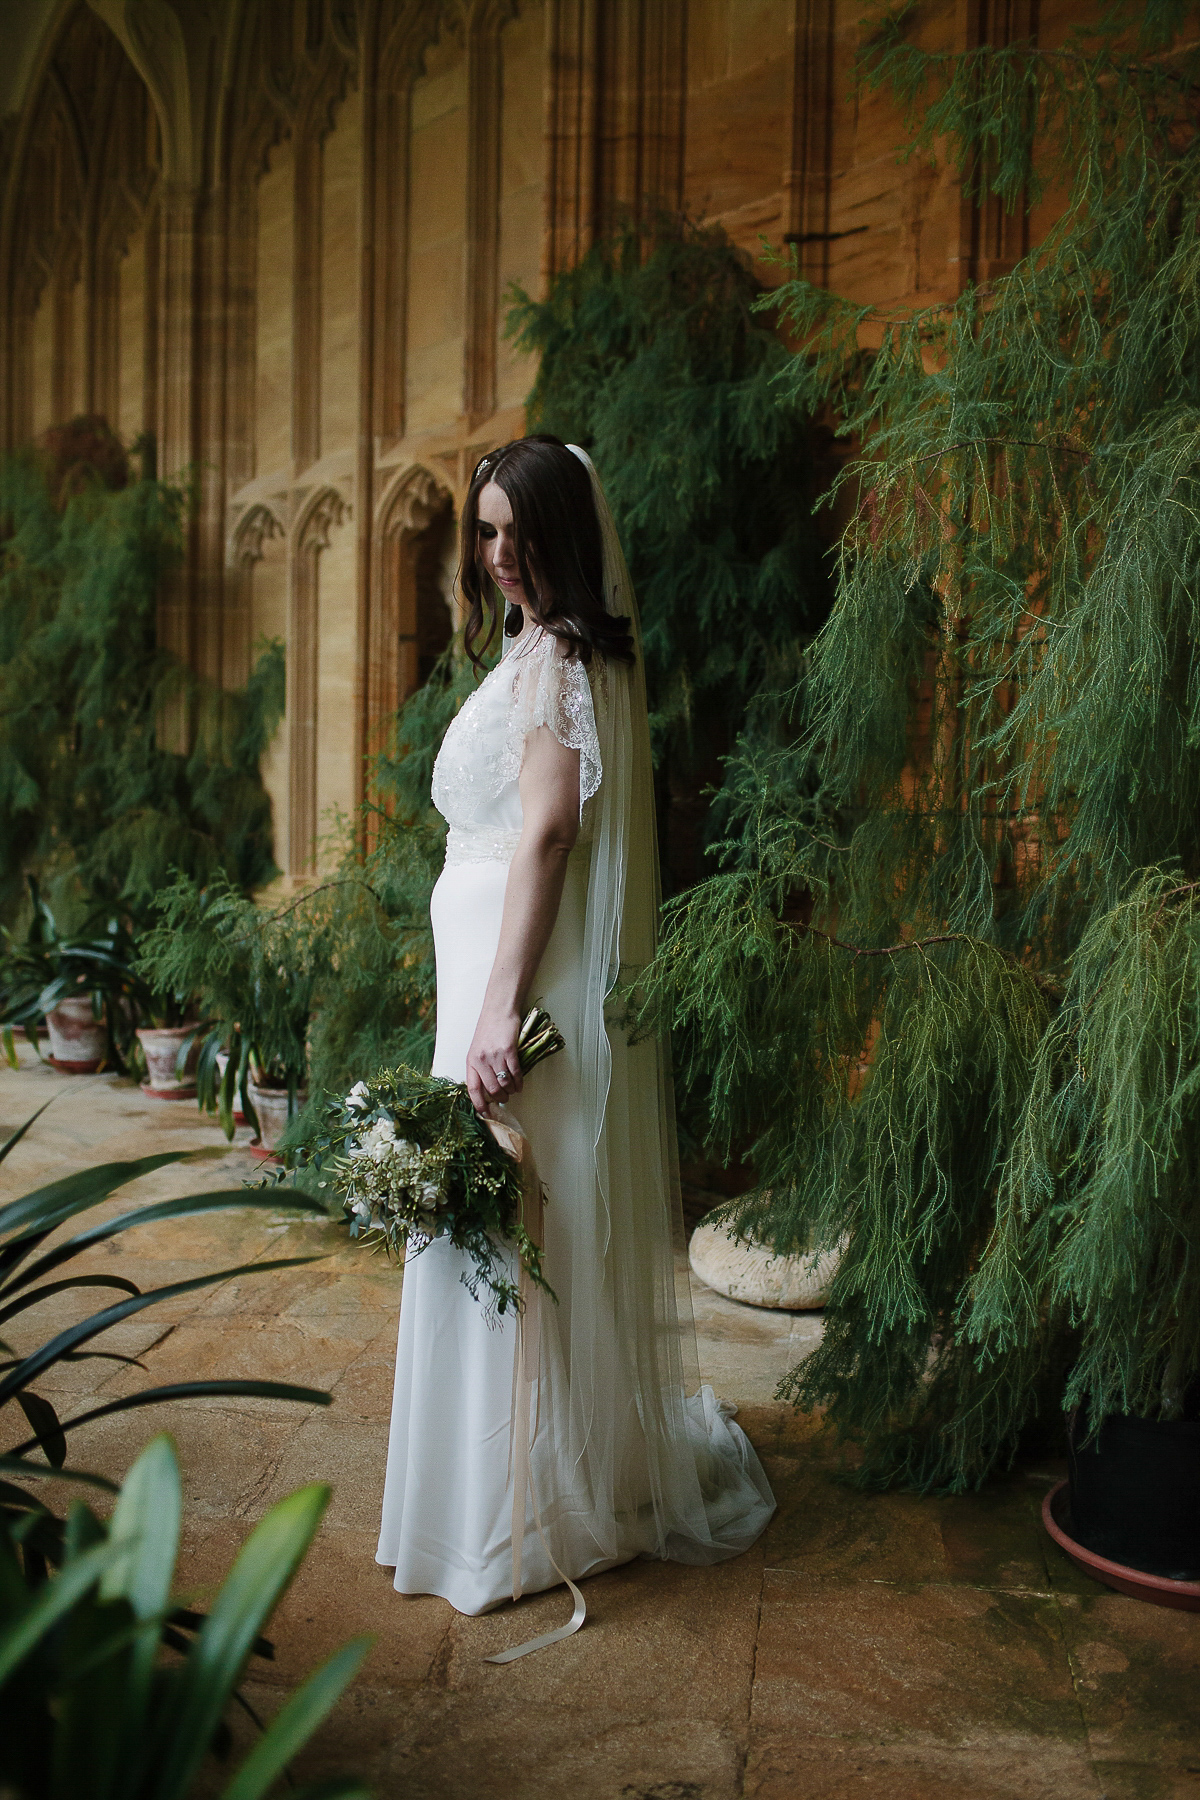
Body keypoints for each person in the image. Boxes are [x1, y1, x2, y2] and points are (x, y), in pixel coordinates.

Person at [376, 435, 774, 1656]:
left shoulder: (559, 661)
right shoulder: (545, 649)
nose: (497, 557)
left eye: (516, 534)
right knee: (497, 1217)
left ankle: (511, 1517)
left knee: (509, 1219)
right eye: (483, 533)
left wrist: (499, 1012)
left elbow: (548, 838)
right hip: (489, 975)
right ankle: (499, 1492)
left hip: (516, 986)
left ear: (564, 537)